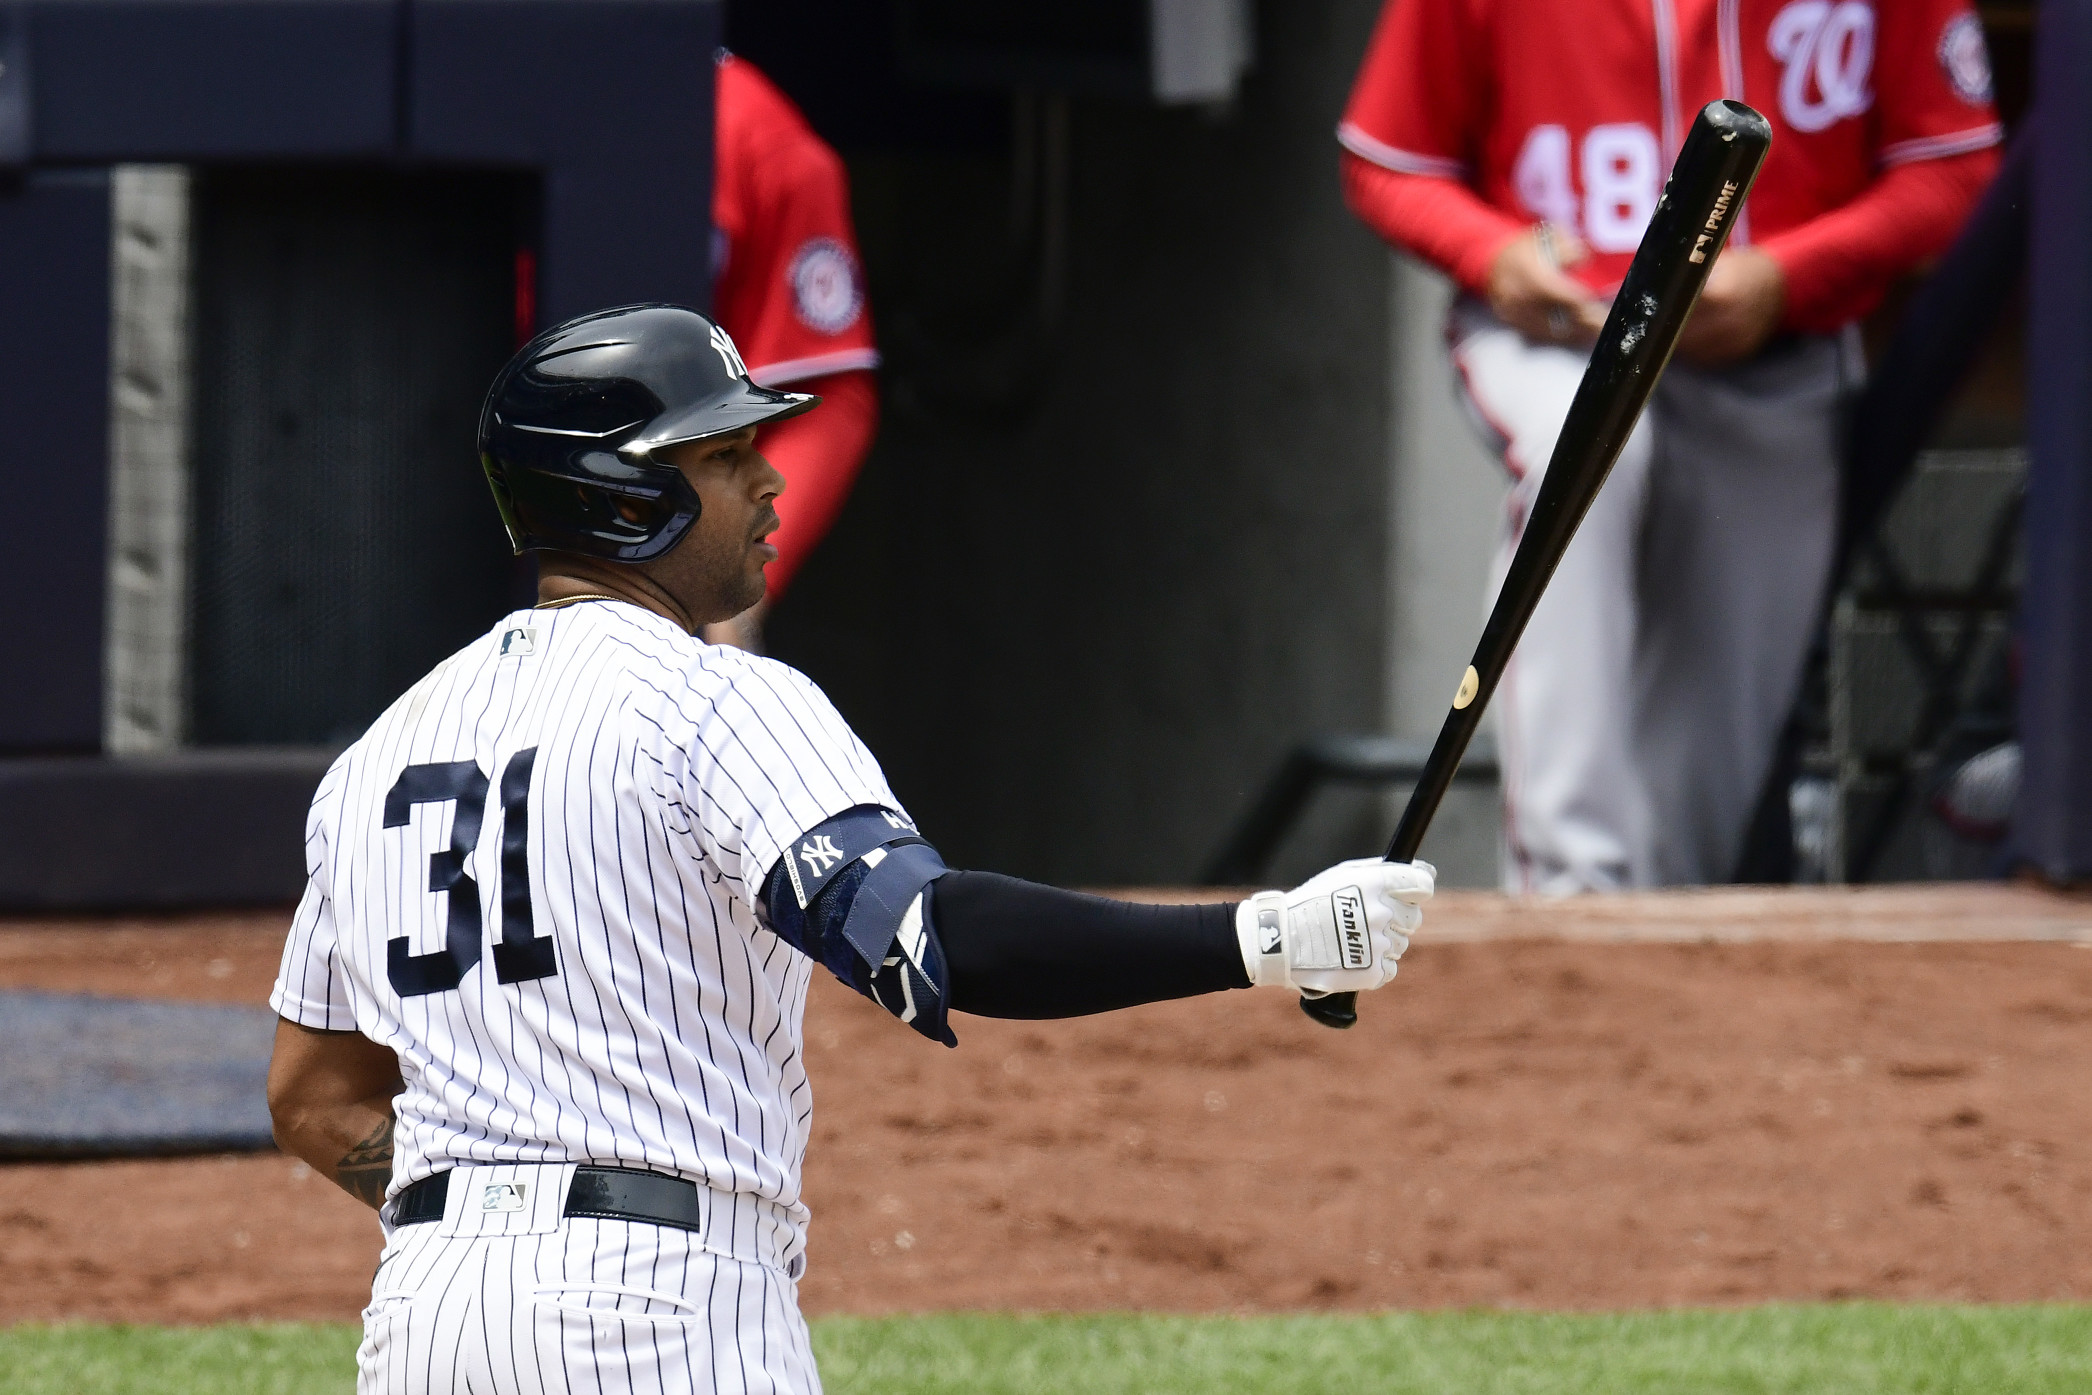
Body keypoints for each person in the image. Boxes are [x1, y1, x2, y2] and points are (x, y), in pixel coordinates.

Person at [264, 304, 1436, 1395]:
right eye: (722, 459)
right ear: (624, 497)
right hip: (651, 1314)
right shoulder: (714, 702)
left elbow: (315, 1096)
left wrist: (490, 1223)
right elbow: (936, 939)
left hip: (424, 1319)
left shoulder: (373, 759)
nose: (767, 482)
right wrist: (1266, 938)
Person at [1339, 0, 2002, 892]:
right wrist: (1492, 254)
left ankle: (1659, 950)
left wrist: (1789, 274)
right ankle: (1568, 898)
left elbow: (1954, 167)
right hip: (1563, 334)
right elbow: (1390, 160)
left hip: (1775, 353)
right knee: (1581, 456)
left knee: (1713, 770)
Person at [701, 51, 880, 652]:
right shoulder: (473, 81)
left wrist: (736, 592)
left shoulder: (758, 136)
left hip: (656, 568)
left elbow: (824, 397)